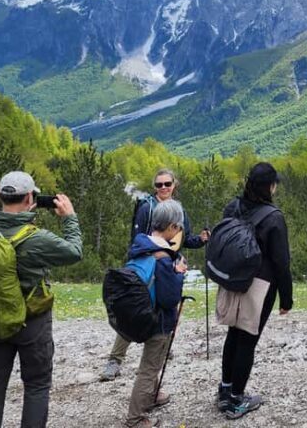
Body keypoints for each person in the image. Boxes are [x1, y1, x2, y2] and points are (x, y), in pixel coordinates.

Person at [0, 171, 83, 428]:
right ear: (31, 196)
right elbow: (75, 252)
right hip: (32, 322)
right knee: (36, 385)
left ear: (0, 194)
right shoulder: (38, 239)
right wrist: (69, 218)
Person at [102, 168, 208, 381]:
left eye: (167, 184)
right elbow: (138, 238)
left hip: (169, 266)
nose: (163, 188)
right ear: (154, 187)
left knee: (168, 309)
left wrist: (201, 240)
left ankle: (161, 350)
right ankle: (115, 360)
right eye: (159, 185)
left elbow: (183, 239)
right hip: (149, 266)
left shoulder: (179, 210)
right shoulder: (146, 207)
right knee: (136, 310)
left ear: (174, 185)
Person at [216, 162, 293, 420]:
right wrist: (287, 298)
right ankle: (236, 399)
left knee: (232, 336)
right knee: (248, 340)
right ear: (270, 187)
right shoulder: (273, 217)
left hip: (231, 280)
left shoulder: (232, 207)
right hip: (259, 286)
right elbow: (281, 263)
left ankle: (225, 389)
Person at [124, 199, 188, 428]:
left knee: (151, 365)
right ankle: (136, 418)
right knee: (149, 369)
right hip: (159, 320)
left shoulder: (141, 244)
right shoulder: (162, 255)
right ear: (171, 226)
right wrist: (178, 273)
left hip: (143, 313)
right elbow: (169, 298)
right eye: (178, 226)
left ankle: (151, 396)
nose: (179, 231)